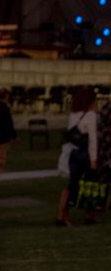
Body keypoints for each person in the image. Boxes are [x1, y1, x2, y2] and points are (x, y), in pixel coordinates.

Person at [56, 85, 97, 226]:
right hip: (85, 154)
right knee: (90, 185)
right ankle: (89, 214)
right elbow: (92, 140)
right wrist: (93, 160)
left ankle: (62, 216)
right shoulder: (91, 115)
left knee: (72, 186)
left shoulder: (73, 115)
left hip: (73, 154)